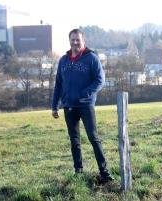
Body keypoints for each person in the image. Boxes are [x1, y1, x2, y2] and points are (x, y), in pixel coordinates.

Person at [52, 28, 114, 181]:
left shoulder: (91, 58)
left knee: (93, 138)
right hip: (69, 107)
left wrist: (84, 94)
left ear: (83, 41)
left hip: (86, 106)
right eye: (73, 40)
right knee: (74, 141)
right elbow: (58, 84)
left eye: (78, 40)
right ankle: (78, 171)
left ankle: (104, 172)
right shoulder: (63, 60)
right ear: (69, 41)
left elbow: (99, 81)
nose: (75, 42)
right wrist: (55, 105)